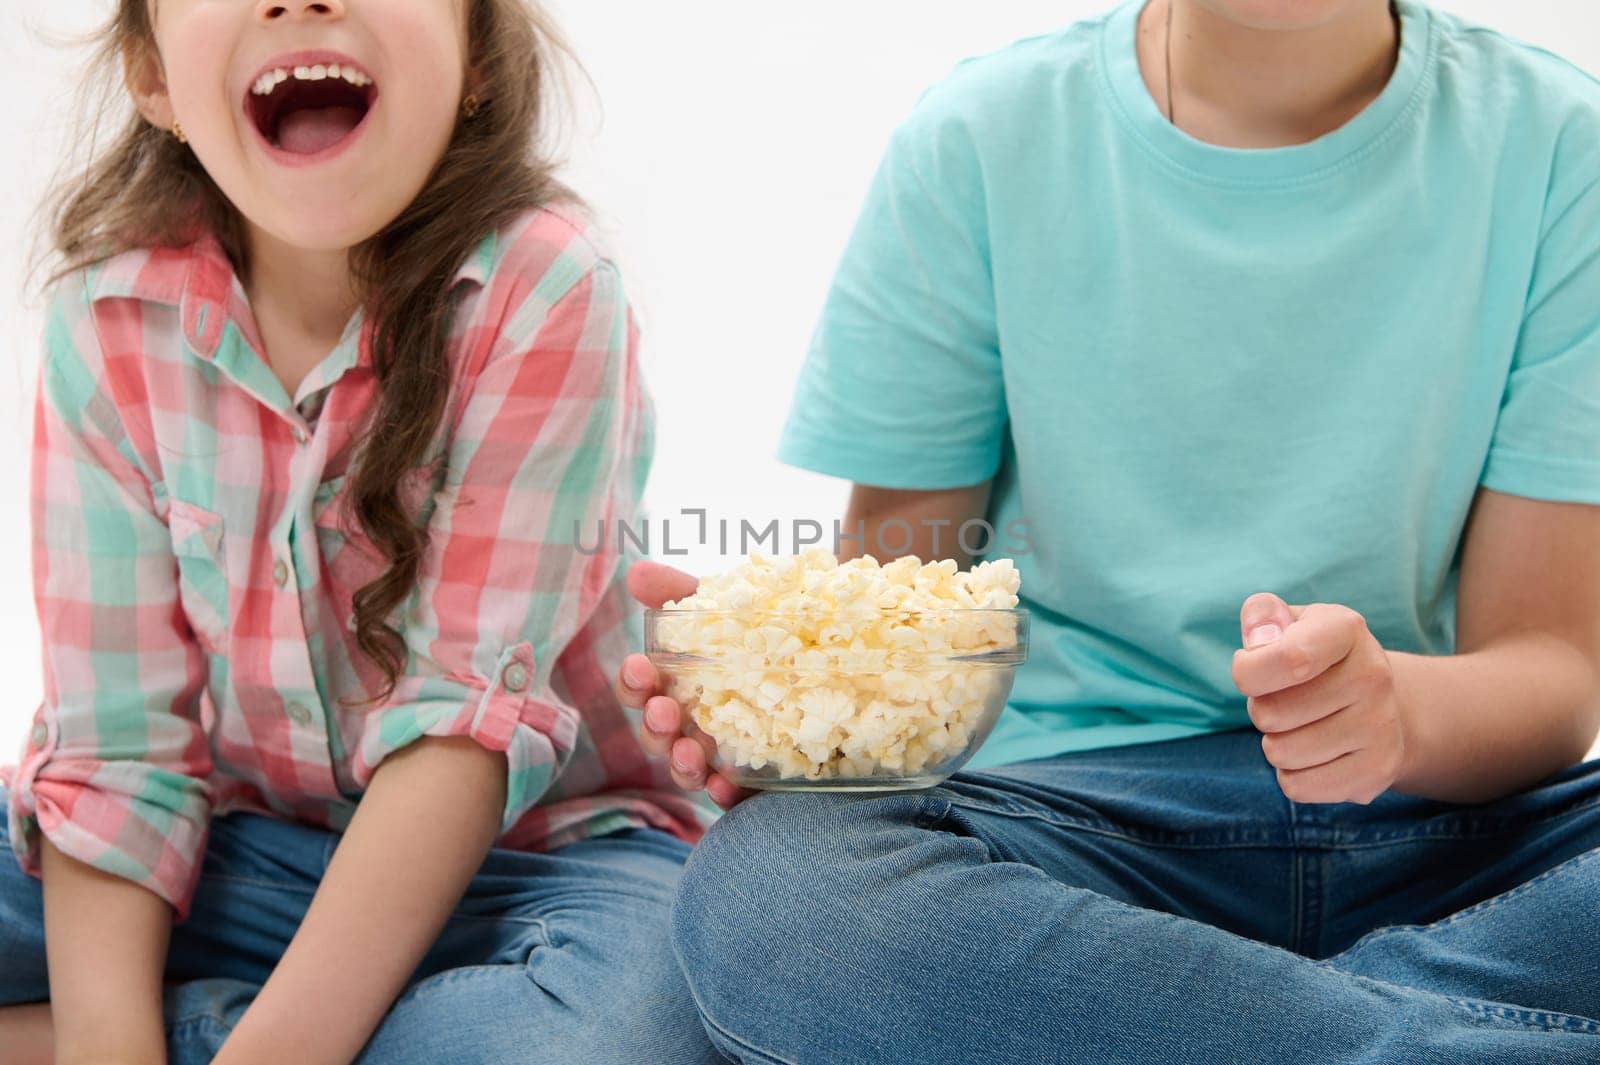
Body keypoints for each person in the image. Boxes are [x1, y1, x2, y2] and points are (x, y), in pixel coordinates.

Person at [618, 0, 1600, 1060]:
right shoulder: (985, 138)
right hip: (1060, 830)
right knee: (783, 891)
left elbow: (1551, 673)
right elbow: (901, 615)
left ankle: (1180, 1021)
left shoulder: (1557, 145)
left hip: (1439, 827)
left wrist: (1396, 713)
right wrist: (791, 697)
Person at [0, 1, 720, 1063]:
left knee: (597, 1037)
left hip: (543, 868)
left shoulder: (543, 291)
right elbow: (116, 753)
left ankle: (198, 1026)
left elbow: (456, 731)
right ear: (153, 79)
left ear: (476, 56)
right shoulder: (110, 318)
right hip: (243, 852)